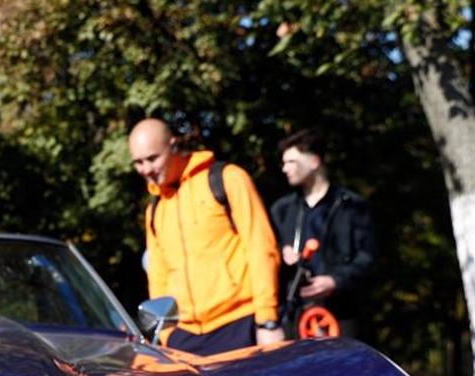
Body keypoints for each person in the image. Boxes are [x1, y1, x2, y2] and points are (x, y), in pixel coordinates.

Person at [128, 118, 284, 355]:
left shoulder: (227, 179)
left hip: (240, 325)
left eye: (152, 158)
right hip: (184, 339)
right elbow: (158, 276)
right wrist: (168, 334)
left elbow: (261, 247)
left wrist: (267, 320)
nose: (146, 169)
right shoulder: (155, 209)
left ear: (174, 145)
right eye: (138, 162)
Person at [269, 129, 376, 340]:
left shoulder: (352, 206)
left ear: (314, 161)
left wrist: (336, 281)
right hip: (296, 318)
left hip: (343, 316)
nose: (285, 169)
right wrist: (282, 252)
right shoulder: (281, 210)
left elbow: (367, 258)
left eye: (291, 161)